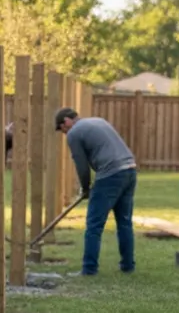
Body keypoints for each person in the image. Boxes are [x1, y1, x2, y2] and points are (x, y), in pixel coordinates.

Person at [54, 108, 137, 275]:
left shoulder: (74, 133)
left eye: (62, 129)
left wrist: (85, 188)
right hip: (130, 170)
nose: (64, 133)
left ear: (67, 121)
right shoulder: (99, 120)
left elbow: (81, 165)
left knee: (94, 225)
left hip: (110, 174)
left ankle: (89, 269)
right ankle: (128, 266)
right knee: (124, 222)